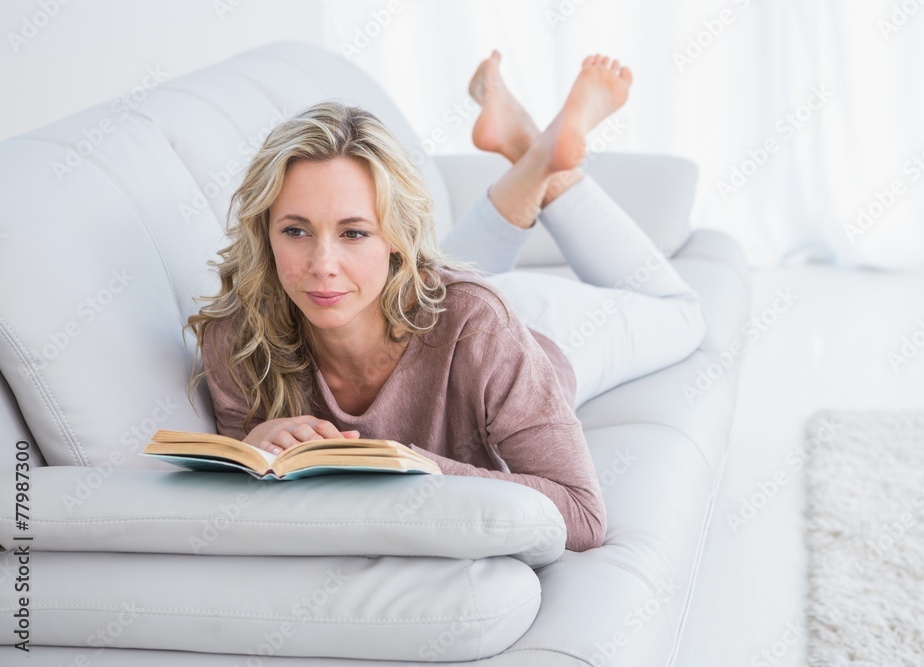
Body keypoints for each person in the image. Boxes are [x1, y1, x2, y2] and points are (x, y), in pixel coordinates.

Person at [184, 52, 706, 552]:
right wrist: (254, 441)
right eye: (296, 231)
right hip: (415, 299)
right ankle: (531, 148)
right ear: (265, 232)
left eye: (353, 232)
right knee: (433, 283)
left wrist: (401, 467)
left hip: (532, 327)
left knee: (683, 313)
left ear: (394, 238)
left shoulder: (482, 325)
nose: (322, 264)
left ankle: (542, 155)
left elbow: (583, 517)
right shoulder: (238, 339)